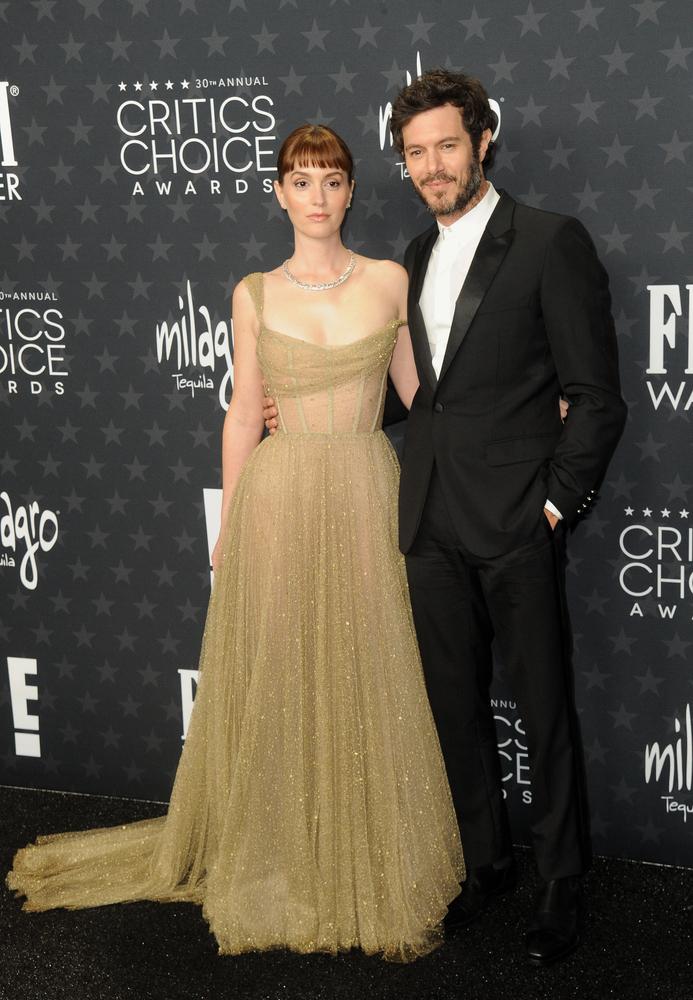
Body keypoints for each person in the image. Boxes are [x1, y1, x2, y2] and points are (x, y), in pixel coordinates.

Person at [6, 124, 464, 961]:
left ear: (351, 191)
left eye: (332, 181)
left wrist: (514, 412)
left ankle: (362, 852)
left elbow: (422, 399)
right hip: (279, 499)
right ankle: (283, 851)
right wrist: (228, 526)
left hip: (366, 493)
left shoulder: (391, 280)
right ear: (279, 194)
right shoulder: (252, 294)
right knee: (284, 670)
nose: (318, 197)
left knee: (369, 666)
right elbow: (244, 411)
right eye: (302, 181)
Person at [265, 70, 628, 967]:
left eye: (447, 147)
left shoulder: (548, 240)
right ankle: (484, 861)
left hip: (516, 522)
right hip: (426, 518)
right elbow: (423, 395)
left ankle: (561, 879)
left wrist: (553, 505)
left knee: (542, 708)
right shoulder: (411, 258)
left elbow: (595, 397)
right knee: (452, 708)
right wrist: (310, 404)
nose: (431, 166)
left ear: (482, 143)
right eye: (415, 153)